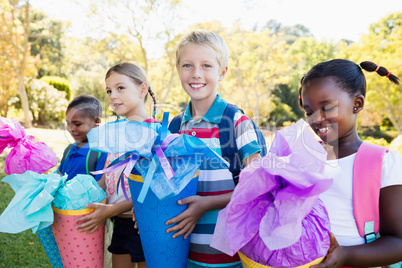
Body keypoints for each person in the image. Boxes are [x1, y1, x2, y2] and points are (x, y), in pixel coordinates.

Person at [166, 29, 263, 268]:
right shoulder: (175, 127)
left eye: (206, 65)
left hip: (230, 258)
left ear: (223, 72)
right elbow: (167, 182)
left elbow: (259, 186)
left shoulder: (236, 122)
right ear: (178, 69)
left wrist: (207, 204)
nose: (196, 74)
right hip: (184, 253)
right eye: (187, 65)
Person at [298, 59, 402, 267]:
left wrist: (344, 255)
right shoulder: (302, 157)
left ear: (357, 104)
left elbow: (398, 241)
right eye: (309, 112)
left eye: (326, 108)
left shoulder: (383, 163)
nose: (316, 119)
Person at [75, 62, 158, 268]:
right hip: (118, 221)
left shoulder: (155, 133)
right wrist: (80, 196)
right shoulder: (116, 133)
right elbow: (108, 176)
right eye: (109, 90)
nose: (112, 96)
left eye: (120, 88)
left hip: (143, 223)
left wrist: (110, 210)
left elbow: (148, 191)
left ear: (142, 89)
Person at [58, 94, 108, 182]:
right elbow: (59, 175)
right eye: (68, 124)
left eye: (77, 124)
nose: (71, 129)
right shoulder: (69, 150)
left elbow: (100, 189)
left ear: (96, 122)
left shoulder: (101, 153)